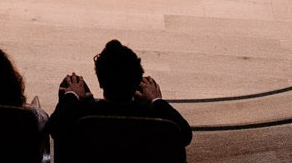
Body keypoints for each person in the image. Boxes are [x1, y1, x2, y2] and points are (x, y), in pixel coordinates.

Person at [50, 39, 190, 144]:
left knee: (70, 82)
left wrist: (72, 96)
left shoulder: (83, 116)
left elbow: (54, 128)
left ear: (100, 82)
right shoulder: (157, 120)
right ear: (137, 82)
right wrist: (157, 101)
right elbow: (186, 135)